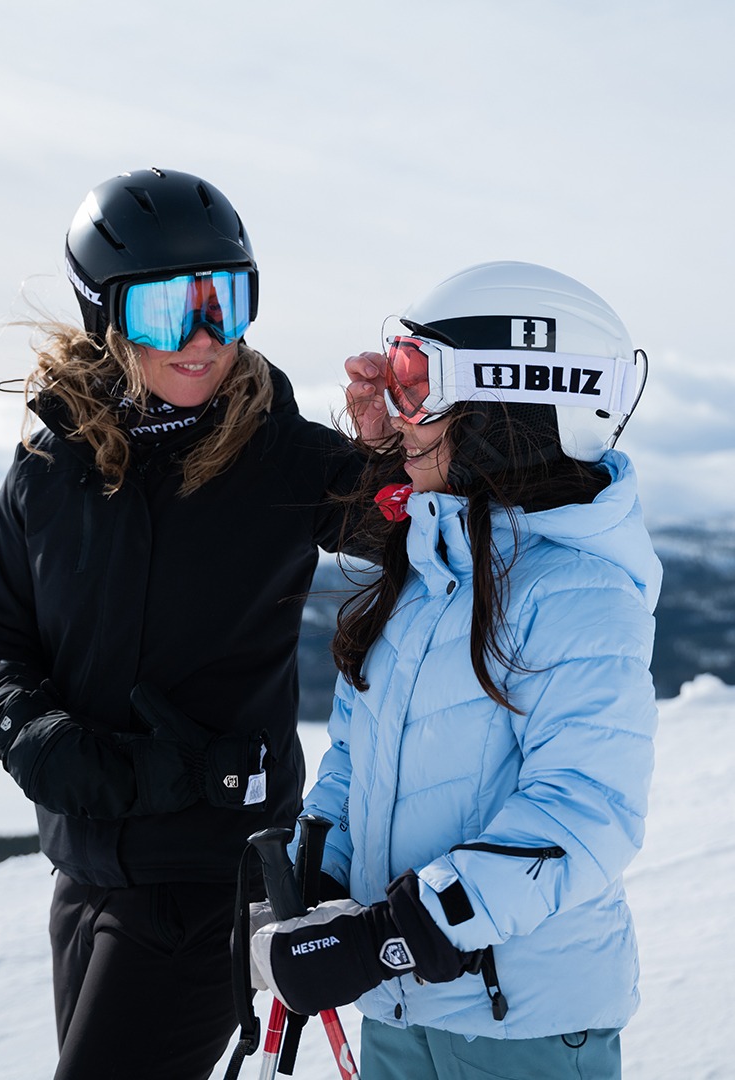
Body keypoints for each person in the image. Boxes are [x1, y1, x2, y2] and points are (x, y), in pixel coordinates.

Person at [0, 167, 365, 1079]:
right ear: (104, 317)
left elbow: (420, 523)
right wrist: (43, 741)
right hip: (84, 868)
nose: (204, 338)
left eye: (225, 300)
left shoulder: (285, 460)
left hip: (213, 877)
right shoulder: (48, 464)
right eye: (165, 312)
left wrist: (412, 440)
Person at [250, 261, 661, 1079]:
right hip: (405, 1009)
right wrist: (317, 874)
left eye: (413, 382)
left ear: (501, 402)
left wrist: (388, 935)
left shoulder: (578, 591)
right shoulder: (430, 570)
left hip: (527, 1027)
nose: (396, 415)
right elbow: (354, 757)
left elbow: (582, 816)